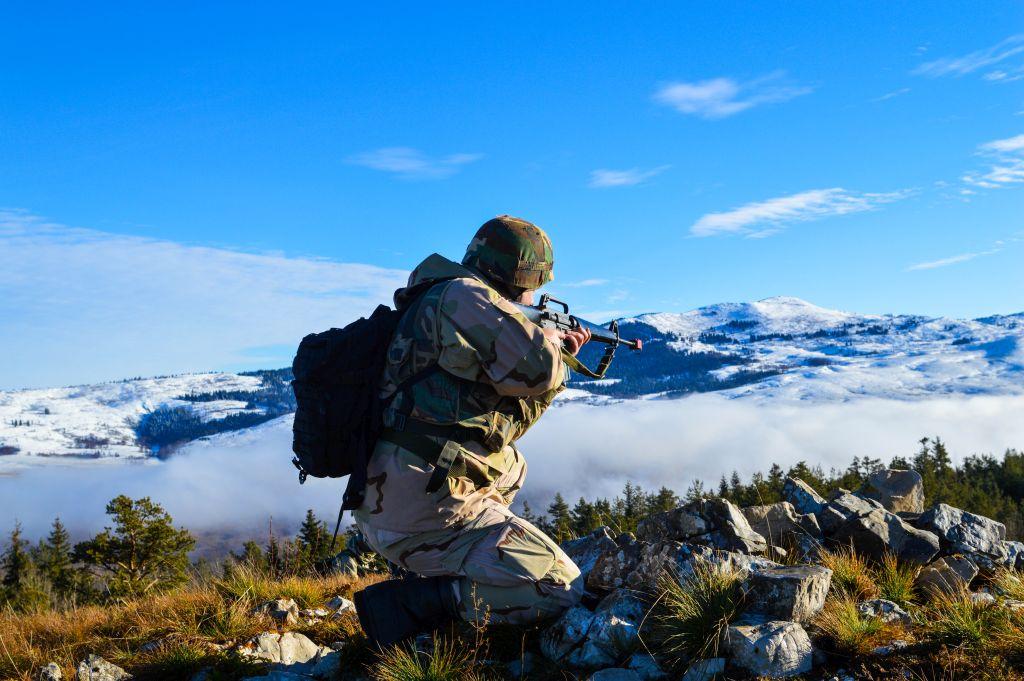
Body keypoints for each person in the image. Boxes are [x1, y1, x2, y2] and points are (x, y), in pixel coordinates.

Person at [351, 215, 591, 647]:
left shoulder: (434, 296)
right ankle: (422, 599)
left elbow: (503, 425)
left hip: (391, 495)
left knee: (511, 464)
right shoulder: (465, 297)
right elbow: (539, 370)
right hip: (418, 508)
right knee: (560, 587)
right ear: (521, 277)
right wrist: (557, 349)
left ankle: (445, 557)